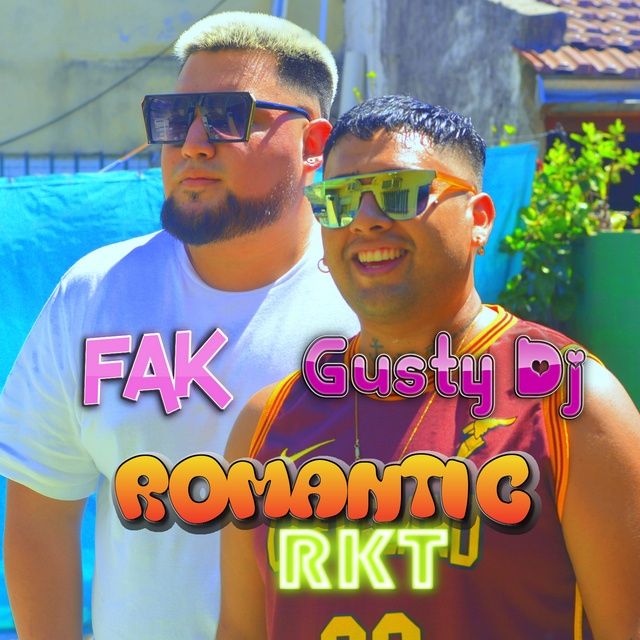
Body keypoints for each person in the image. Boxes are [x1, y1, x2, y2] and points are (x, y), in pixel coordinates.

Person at [219, 96, 640, 639]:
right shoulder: (266, 424)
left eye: (399, 193)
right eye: (340, 201)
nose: (365, 221)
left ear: (478, 220)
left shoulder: (569, 403)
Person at [0, 12, 358, 640]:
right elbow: (40, 515)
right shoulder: (96, 295)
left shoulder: (369, 306)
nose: (192, 143)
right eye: (173, 117)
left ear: (313, 146)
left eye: (225, 116)